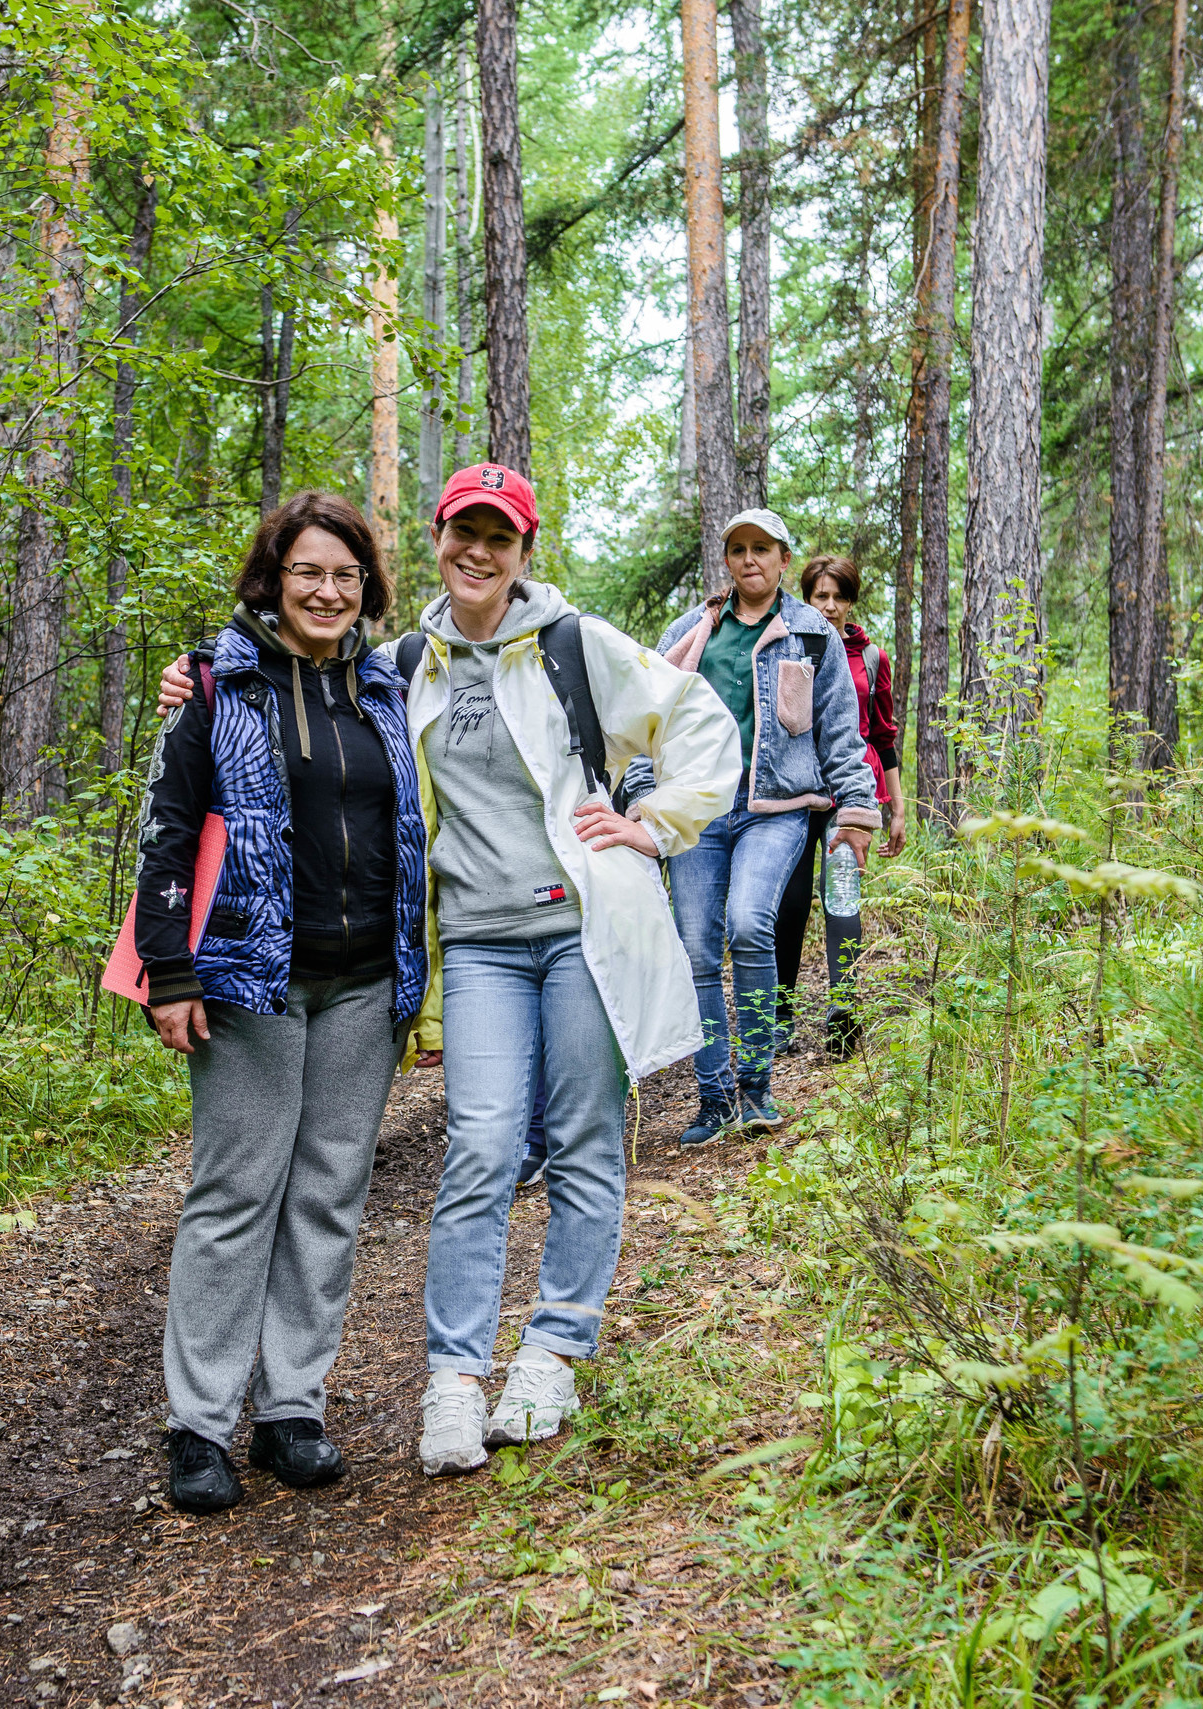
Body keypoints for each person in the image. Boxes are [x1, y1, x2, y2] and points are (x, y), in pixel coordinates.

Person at [153, 464, 740, 1479]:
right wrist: (192, 677)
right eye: (462, 532)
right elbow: (241, 733)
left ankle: (544, 1352)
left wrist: (650, 823)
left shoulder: (568, 646)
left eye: (499, 537)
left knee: (575, 1141)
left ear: (523, 550)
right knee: (473, 1145)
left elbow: (700, 725)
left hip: (559, 934)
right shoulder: (397, 665)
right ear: (433, 537)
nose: (478, 551)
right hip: (456, 944)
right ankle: (444, 1376)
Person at [130, 491, 428, 1515]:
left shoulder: (387, 688)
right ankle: (198, 1425)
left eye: (345, 575)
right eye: (308, 570)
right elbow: (165, 832)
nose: (327, 590)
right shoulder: (217, 686)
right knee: (234, 1193)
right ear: (272, 576)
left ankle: (290, 1408)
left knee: (328, 1195)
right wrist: (169, 969)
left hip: (365, 980)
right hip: (247, 980)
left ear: (367, 588)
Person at [650, 510, 879, 1144]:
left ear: (783, 559)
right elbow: (645, 721)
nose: (750, 559)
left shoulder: (811, 634)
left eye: (762, 549)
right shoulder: (691, 632)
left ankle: (756, 1087)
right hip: (697, 812)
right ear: (726, 560)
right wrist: (642, 802)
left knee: (751, 923)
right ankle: (714, 1095)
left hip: (775, 811)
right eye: (738, 549)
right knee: (696, 947)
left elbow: (841, 733)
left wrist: (857, 814)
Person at [774, 554, 906, 1057]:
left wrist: (893, 808)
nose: (829, 606)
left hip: (850, 795)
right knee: (788, 905)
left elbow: (885, 736)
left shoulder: (872, 659)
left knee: (842, 897)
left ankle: (843, 1012)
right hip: (793, 794)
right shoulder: (786, 645)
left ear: (851, 601)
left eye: (839, 596)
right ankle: (780, 1016)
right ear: (807, 597)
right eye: (820, 596)